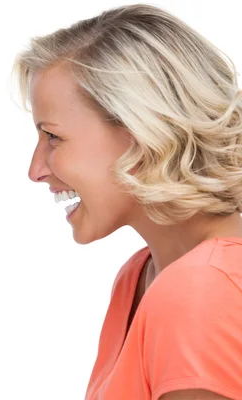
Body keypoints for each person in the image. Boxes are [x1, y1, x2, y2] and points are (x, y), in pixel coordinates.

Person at [15, 4, 242, 400]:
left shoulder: (200, 290)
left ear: (141, 133)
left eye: (53, 137)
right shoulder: (140, 275)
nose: (36, 169)